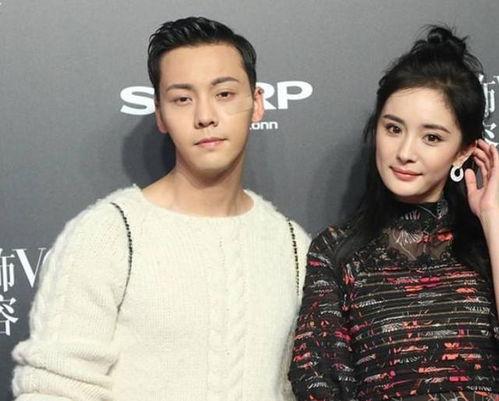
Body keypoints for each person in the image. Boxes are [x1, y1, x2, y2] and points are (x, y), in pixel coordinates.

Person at [11, 16, 310, 401]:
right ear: (160, 115)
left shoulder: (292, 245)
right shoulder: (107, 235)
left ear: (257, 104)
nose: (205, 116)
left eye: (224, 94)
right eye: (182, 99)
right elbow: (53, 390)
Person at [289, 26, 498, 401]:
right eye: (393, 129)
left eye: (431, 137)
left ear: (464, 152)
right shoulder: (336, 251)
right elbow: (318, 381)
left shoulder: (488, 245)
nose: (404, 152)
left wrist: (493, 219)